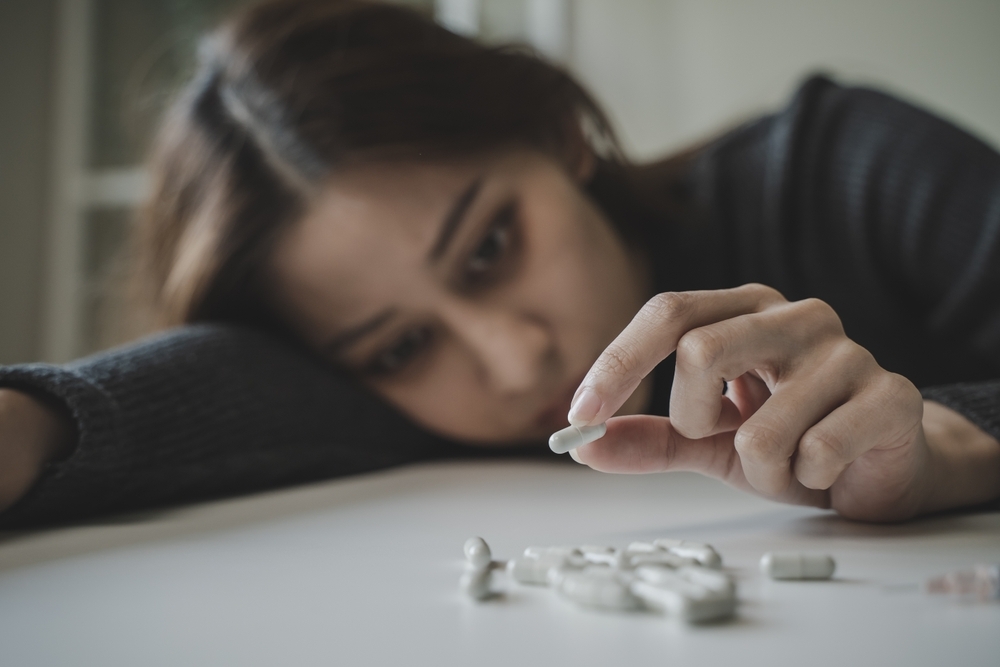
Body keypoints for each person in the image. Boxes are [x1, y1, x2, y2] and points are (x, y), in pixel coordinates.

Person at [0, 0, 997, 528]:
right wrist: (40, 418)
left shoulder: (853, 167)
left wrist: (951, 450)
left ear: (560, 132)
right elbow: (253, 385)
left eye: (488, 247)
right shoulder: (355, 398)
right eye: (399, 346)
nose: (514, 360)